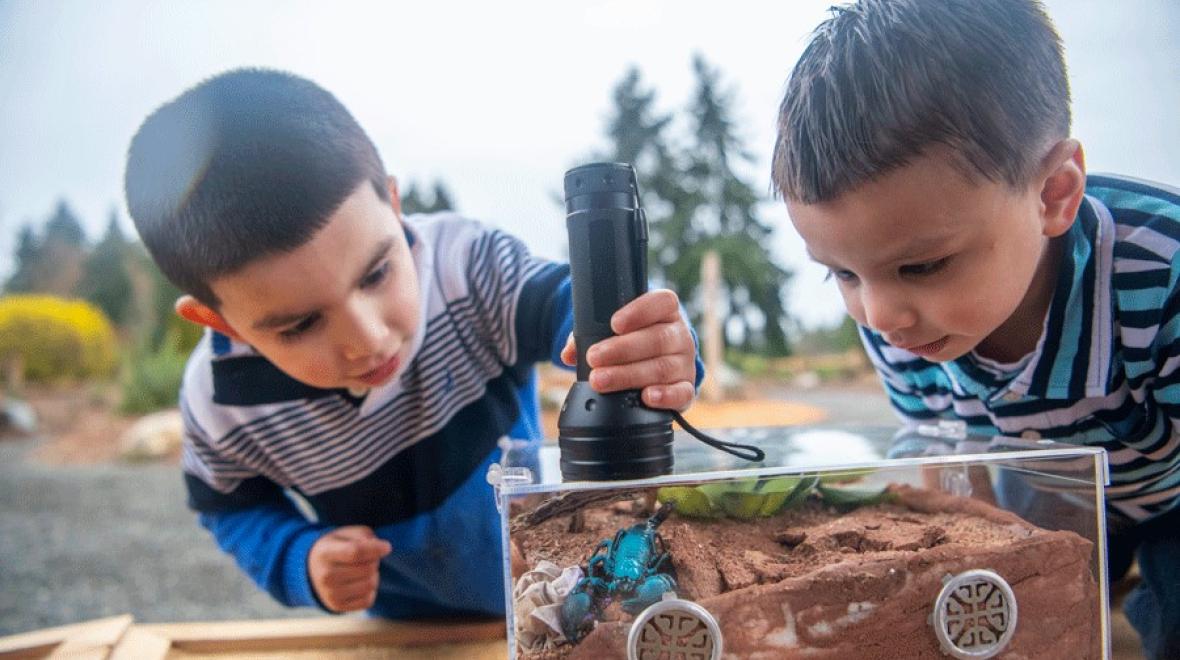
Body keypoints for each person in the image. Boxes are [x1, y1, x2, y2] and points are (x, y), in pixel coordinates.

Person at [123, 68, 701, 620]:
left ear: (394, 207)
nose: (367, 340)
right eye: (299, 326)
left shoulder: (466, 268)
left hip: (544, 595)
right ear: (219, 321)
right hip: (402, 630)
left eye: (376, 274)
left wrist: (645, 348)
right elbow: (231, 510)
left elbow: (567, 304)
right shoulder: (219, 404)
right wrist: (299, 559)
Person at [770, 1, 1180, 657]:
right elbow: (956, 474)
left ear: (1052, 195)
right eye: (841, 274)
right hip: (1045, 483)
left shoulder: (1160, 274)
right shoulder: (902, 322)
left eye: (922, 265)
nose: (880, 317)